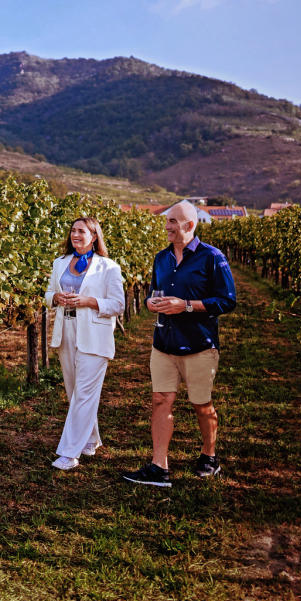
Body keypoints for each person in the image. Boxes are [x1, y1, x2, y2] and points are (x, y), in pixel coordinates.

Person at [122, 200, 237, 488]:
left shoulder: (212, 257)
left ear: (190, 225)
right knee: (160, 399)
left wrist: (186, 306)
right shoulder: (161, 258)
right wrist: (151, 302)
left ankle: (209, 456)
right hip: (164, 342)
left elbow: (227, 300)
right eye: (168, 221)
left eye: (173, 221)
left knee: (201, 403)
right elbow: (152, 291)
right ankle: (159, 466)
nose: (167, 226)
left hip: (199, 343)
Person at [44, 216, 126, 470]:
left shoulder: (108, 267)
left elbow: (118, 304)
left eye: (81, 231)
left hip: (95, 333)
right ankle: (90, 440)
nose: (75, 235)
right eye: (72, 231)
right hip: (66, 329)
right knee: (74, 391)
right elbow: (48, 294)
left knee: (85, 393)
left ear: (94, 236)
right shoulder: (59, 263)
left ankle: (70, 453)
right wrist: (56, 297)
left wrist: (89, 301)